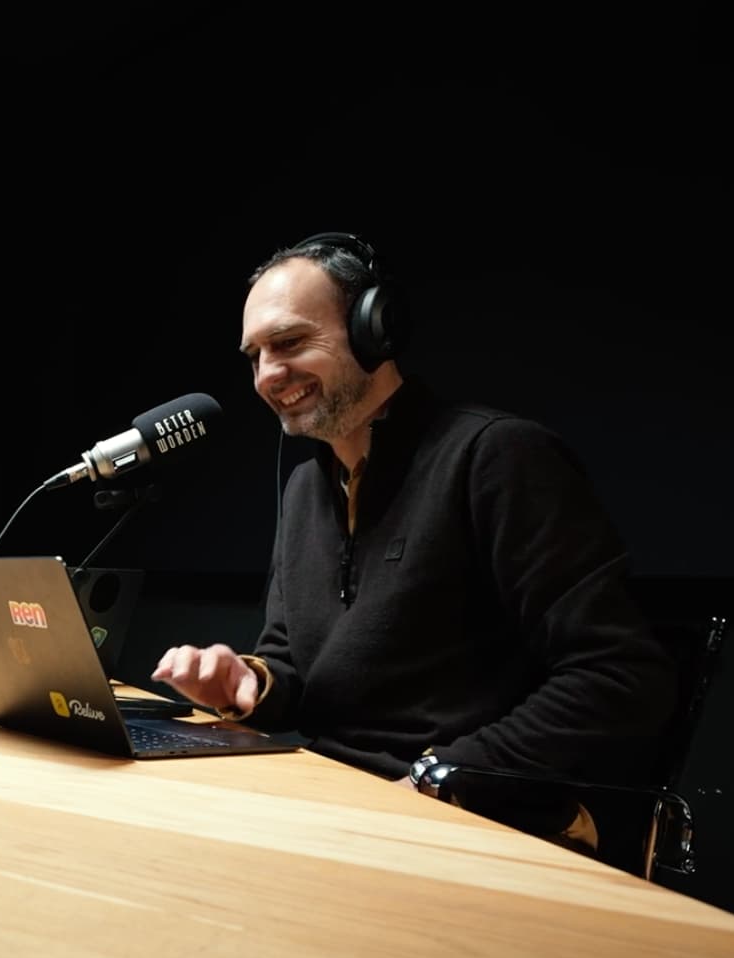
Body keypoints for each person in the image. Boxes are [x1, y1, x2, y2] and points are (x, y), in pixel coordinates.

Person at [152, 233, 675, 813]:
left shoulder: (496, 456)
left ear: (375, 329)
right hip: (338, 801)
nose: (269, 375)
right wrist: (246, 684)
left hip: (471, 814)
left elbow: (619, 677)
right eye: (255, 356)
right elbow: (295, 670)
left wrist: (439, 780)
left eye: (290, 342)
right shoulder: (305, 488)